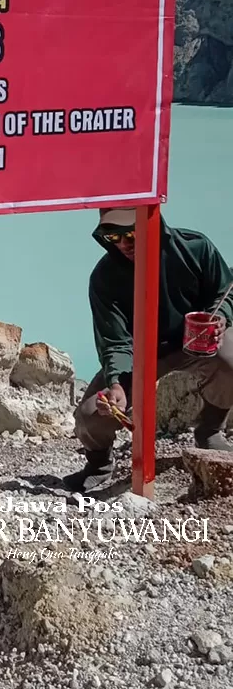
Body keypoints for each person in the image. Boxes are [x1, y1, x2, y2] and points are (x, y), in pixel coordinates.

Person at [64, 207, 233, 493]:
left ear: (155, 226)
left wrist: (221, 318)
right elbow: (115, 341)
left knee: (231, 360)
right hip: (139, 357)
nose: (123, 244)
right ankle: (98, 464)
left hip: (196, 341)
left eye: (131, 233)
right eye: (113, 236)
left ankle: (210, 430)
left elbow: (225, 291)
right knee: (92, 414)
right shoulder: (104, 278)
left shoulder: (196, 248)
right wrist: (117, 383)